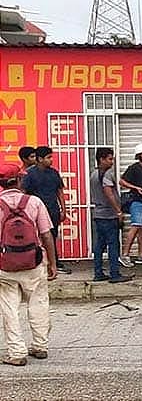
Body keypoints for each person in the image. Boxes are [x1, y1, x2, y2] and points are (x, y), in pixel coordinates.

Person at [0, 163, 57, 366]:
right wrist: (52, 263)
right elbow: (46, 235)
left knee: (9, 307)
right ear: (19, 180)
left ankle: (16, 352)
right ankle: (40, 346)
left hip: (5, 266)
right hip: (34, 262)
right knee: (38, 302)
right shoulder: (34, 202)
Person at [22, 146, 71, 275]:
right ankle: (36, 262)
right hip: (35, 213)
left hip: (52, 210)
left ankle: (54, 263)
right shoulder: (29, 174)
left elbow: (60, 192)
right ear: (40, 159)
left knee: (52, 237)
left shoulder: (54, 173)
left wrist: (63, 209)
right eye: (48, 157)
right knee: (36, 237)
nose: (51, 160)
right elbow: (23, 192)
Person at [89, 148, 132, 283]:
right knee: (113, 244)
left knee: (100, 245)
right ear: (101, 159)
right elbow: (108, 192)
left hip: (98, 214)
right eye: (109, 159)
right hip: (108, 215)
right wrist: (118, 211)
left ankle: (98, 272)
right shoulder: (106, 174)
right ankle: (115, 274)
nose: (112, 162)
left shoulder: (94, 174)